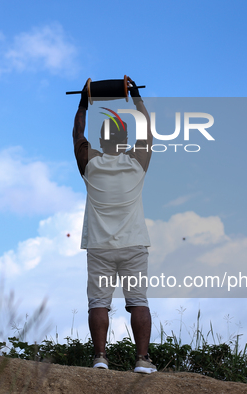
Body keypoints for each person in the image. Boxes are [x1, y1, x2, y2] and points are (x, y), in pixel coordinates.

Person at [72, 77, 157, 374]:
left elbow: (77, 133)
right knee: (138, 302)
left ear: (101, 140)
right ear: (123, 141)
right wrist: (135, 98)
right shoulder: (136, 163)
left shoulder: (90, 164)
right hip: (133, 245)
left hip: (99, 246)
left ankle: (99, 357)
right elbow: (146, 129)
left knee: (98, 303)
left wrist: (85, 101)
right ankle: (143, 360)